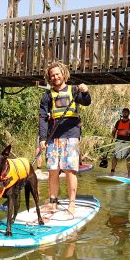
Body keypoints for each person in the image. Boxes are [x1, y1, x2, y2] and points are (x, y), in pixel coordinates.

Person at [39, 61, 91, 214]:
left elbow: (87, 102)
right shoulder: (47, 96)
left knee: (70, 170)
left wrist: (86, 91)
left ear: (63, 74)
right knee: (53, 170)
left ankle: (72, 204)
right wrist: (43, 138)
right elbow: (42, 117)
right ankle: (53, 202)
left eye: (57, 74)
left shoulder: (74, 90)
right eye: (52, 75)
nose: (55, 77)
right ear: (49, 78)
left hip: (71, 136)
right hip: (53, 136)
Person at [110, 107, 130, 178]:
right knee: (115, 157)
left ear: (128, 113)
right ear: (122, 113)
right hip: (118, 141)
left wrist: (129, 131)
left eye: (126, 112)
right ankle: (112, 172)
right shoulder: (118, 122)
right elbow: (114, 130)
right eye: (123, 112)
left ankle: (129, 174)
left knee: (128, 157)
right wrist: (112, 136)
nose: (124, 113)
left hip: (126, 142)